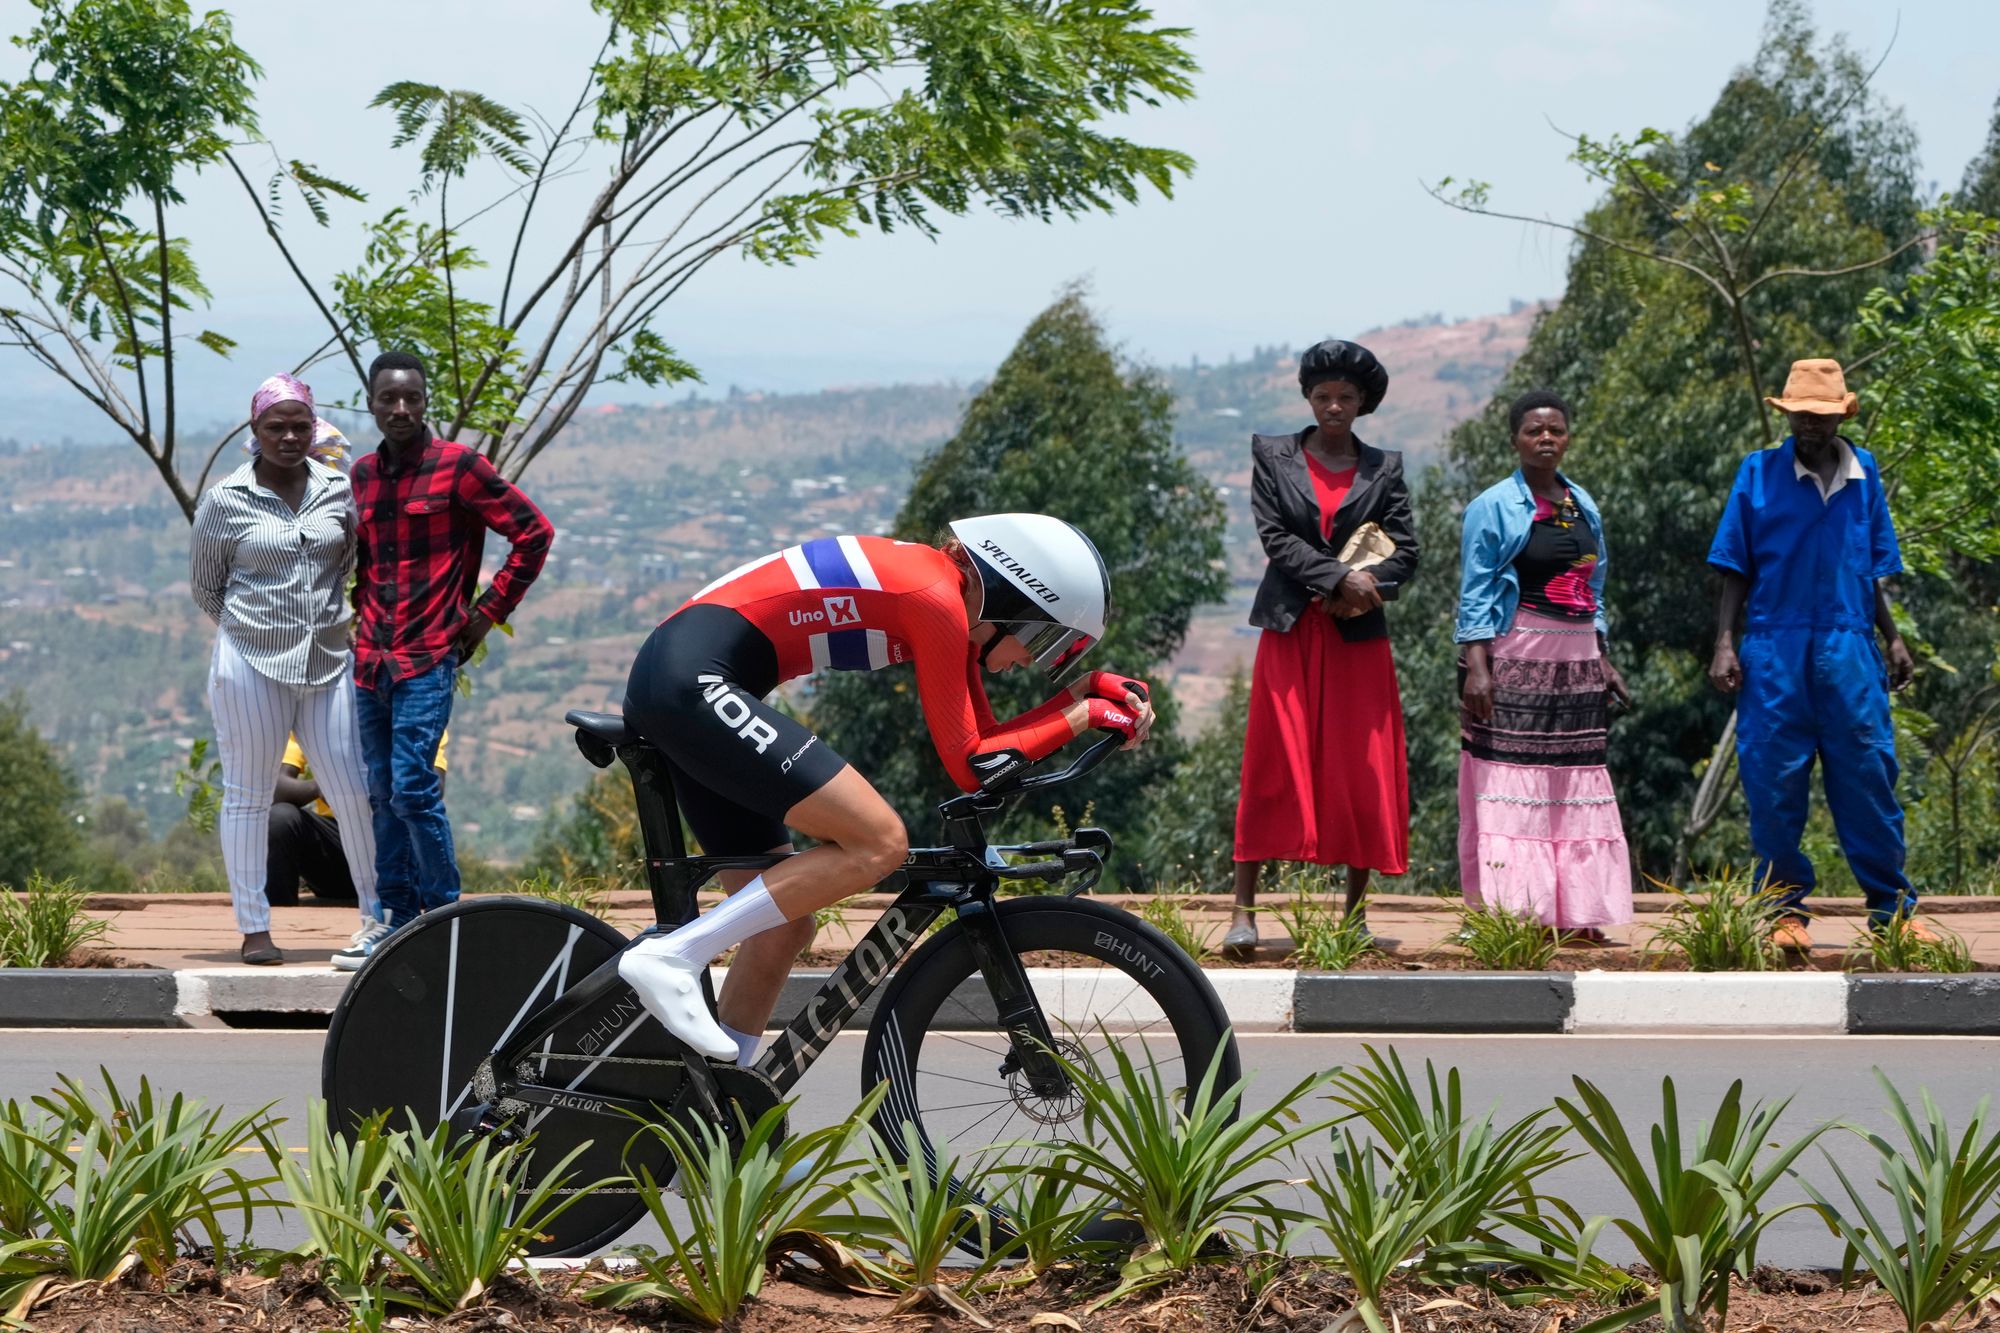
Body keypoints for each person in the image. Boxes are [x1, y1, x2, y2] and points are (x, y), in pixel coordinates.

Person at [616, 516, 1155, 1061]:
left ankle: (717, 1119)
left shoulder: (948, 597)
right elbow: (973, 767)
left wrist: (1082, 694)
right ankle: (673, 956)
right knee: (879, 842)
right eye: (1042, 637)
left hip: (686, 678)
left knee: (781, 929)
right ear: (1003, 592)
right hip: (689, 683)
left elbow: (987, 745)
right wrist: (1082, 712)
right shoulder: (936, 598)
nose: (1032, 661)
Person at [1706, 358, 1927, 952]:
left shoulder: (1864, 474)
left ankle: (1892, 909)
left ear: (1840, 417)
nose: (1812, 426)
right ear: (1788, 414)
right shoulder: (1758, 473)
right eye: (1802, 415)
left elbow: (1873, 565)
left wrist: (1893, 636)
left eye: (1823, 417)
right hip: (1775, 646)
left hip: (1850, 644)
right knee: (1773, 780)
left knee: (1869, 775)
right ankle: (1783, 911)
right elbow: (1734, 566)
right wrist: (1726, 642)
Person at [345, 350, 553, 965]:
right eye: (389, 398)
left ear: (425, 400)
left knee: (413, 789)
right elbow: (365, 561)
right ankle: (397, 920)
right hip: (370, 659)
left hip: (429, 655)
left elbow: (533, 533)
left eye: (412, 397)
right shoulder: (361, 476)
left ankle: (445, 917)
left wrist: (487, 612)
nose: (401, 408)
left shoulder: (459, 468)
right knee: (380, 793)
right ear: (372, 403)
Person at [1226, 339, 1419, 957]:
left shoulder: (1383, 468)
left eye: (1346, 397)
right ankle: (1243, 913)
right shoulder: (1274, 457)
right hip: (1290, 629)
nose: (1334, 405)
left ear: (1363, 404)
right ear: (1308, 398)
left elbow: (1405, 550)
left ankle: (1354, 917)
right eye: (1324, 396)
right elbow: (1275, 537)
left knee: (1357, 769)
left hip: (1356, 637)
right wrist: (1340, 577)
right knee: (1272, 761)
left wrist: (1363, 591)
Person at [190, 374, 378, 965]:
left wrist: (315, 624)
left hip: (328, 657)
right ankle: (254, 928)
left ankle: (380, 918)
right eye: (277, 427)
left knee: (354, 788)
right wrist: (259, 628)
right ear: (256, 431)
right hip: (249, 660)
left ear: (313, 426)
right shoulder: (226, 499)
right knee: (247, 793)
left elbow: (349, 562)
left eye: (300, 425)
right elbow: (206, 586)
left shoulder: (336, 491)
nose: (290, 436)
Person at [1456, 392, 1633, 941]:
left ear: (1568, 437)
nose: (1547, 438)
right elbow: (1476, 590)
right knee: (1516, 781)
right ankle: (1520, 914)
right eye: (1535, 431)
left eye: (1556, 429)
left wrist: (1602, 656)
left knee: (1574, 783)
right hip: (1518, 656)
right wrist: (1477, 667)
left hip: (1577, 662)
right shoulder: (1494, 505)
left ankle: (1579, 915)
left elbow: (1592, 585)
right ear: (1515, 440)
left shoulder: (1584, 504)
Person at [268, 729, 445, 921]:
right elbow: (275, 788)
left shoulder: (415, 714)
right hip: (337, 849)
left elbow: (434, 786)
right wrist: (323, 787)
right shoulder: (315, 715)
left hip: (397, 844)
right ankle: (280, 920)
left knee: (422, 825)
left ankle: (427, 920)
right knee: (281, 818)